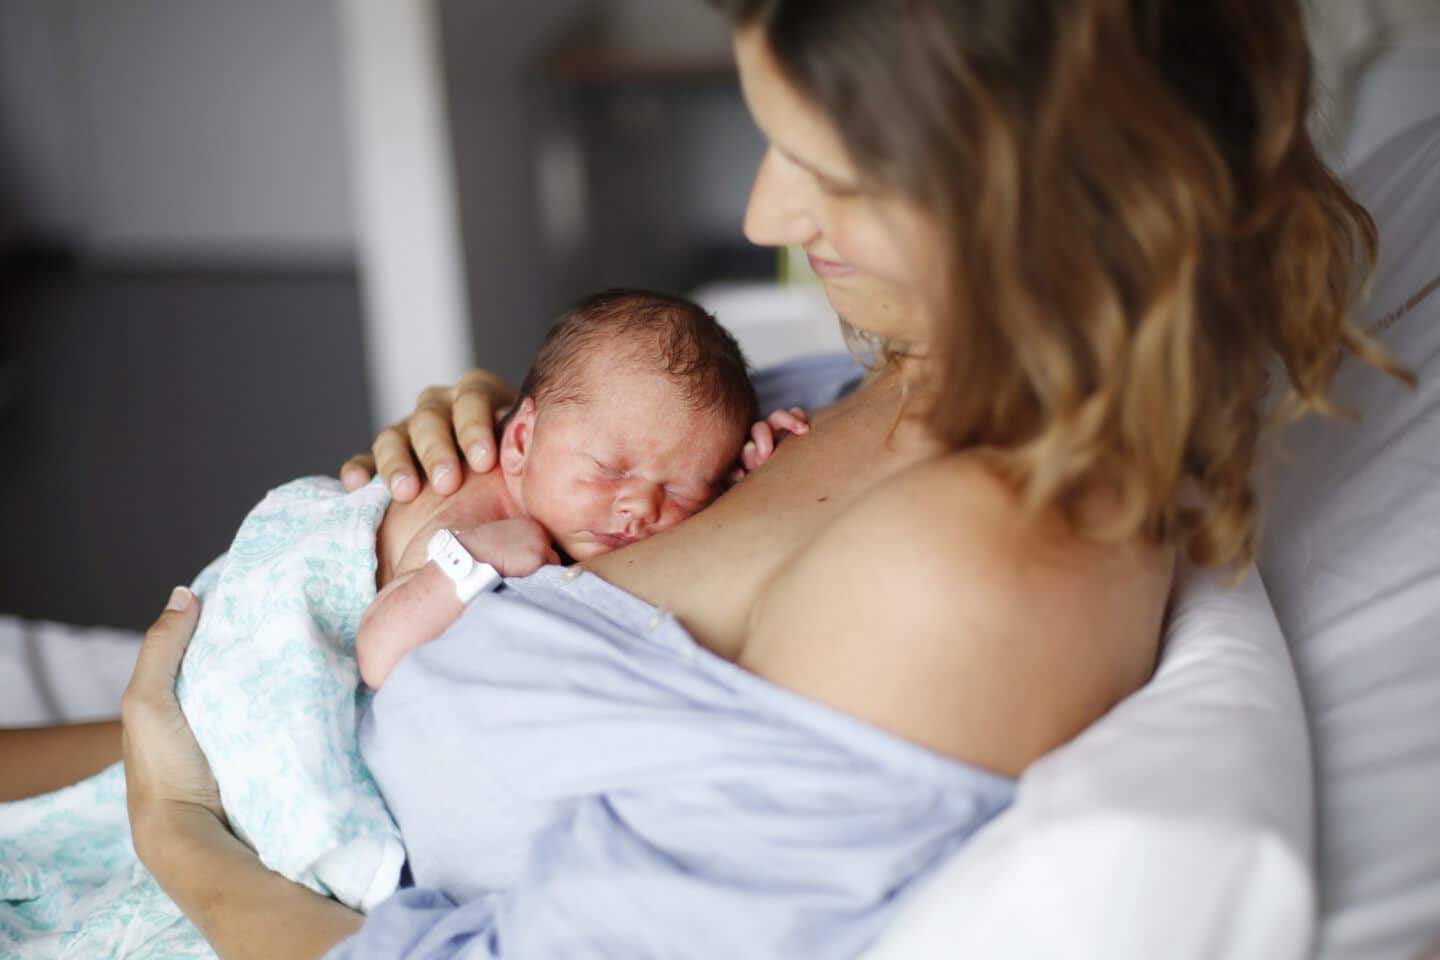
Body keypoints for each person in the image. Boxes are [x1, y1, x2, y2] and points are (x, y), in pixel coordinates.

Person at [15, 0, 1404, 957]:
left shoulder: (970, 578)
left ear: (1049, 191)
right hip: (264, 736)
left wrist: (181, 832)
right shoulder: (909, 380)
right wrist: (509, 452)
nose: (764, 220)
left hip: (228, 853)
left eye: (832, 171)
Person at [358, 286, 808, 688]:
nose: (641, 506)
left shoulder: (567, 469)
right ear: (520, 439)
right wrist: (474, 559)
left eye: (680, 490)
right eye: (611, 470)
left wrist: (747, 469)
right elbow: (379, 654)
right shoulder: (473, 504)